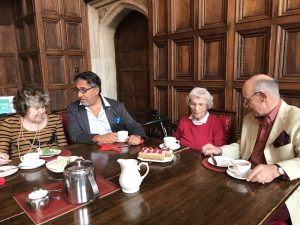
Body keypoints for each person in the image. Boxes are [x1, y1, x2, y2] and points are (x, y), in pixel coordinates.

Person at [202, 74, 300, 225]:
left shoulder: (296, 118)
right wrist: (220, 150)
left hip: (282, 190)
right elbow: (241, 147)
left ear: (262, 96)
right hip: (245, 181)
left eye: (247, 99)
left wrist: (276, 169)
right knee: (210, 199)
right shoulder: (250, 118)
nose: (245, 104)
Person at [67, 71, 147, 145]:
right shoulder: (73, 109)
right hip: (89, 152)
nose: (79, 95)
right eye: (77, 90)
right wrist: (98, 138)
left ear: (96, 90)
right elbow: (75, 135)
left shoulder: (116, 106)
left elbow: (134, 126)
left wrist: (137, 136)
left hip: (115, 151)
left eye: (83, 90)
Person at [0, 84, 68, 163]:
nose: (42, 111)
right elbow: (2, 149)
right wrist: (1, 156)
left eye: (43, 107)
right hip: (23, 170)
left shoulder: (54, 120)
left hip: (52, 165)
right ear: (24, 108)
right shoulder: (9, 124)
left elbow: (64, 148)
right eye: (37, 108)